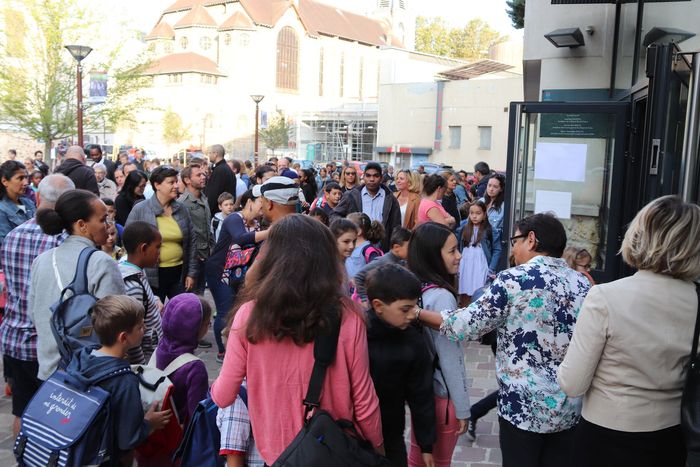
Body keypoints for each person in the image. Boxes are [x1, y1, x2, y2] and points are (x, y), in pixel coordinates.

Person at [418, 213, 591, 467]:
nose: (513, 247)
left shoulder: (513, 279)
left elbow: (466, 325)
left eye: (516, 240)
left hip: (522, 408)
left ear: (531, 240)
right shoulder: (583, 285)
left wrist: (416, 313)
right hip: (569, 408)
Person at [210, 215, 384, 465]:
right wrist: (377, 447)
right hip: (331, 450)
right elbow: (364, 399)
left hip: (276, 454)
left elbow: (224, 395)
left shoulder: (249, 315)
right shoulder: (348, 316)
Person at [557, 195, 700, 467]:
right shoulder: (696, 301)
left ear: (640, 237)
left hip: (605, 435)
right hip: (670, 437)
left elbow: (572, 384)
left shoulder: (605, 297)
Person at [0, 174, 74, 435]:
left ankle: (24, 458)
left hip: (15, 339)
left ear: (39, 198)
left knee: (21, 410)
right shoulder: (64, 242)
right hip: (50, 346)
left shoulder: (13, 236)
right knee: (54, 416)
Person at [29, 189, 126, 381]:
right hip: (90, 375)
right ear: (82, 225)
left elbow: (34, 313)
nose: (107, 226)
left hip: (49, 373)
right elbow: (116, 325)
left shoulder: (42, 260)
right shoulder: (101, 262)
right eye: (101, 220)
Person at [67, 295, 172, 465]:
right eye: (140, 326)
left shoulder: (81, 357)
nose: (144, 328)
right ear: (124, 337)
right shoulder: (124, 381)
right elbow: (128, 439)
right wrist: (149, 423)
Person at [406, 222, 470, 467]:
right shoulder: (442, 296)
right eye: (452, 251)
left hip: (422, 394)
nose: (459, 256)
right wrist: (463, 409)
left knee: (416, 459)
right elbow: (450, 358)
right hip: (442, 399)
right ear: (433, 256)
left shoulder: (415, 287)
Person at [365, 263, 436, 467]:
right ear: (378, 306)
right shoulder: (357, 335)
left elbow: (421, 394)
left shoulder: (412, 340)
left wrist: (426, 444)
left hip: (391, 433)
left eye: (414, 307)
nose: (412, 314)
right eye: (405, 309)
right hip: (354, 434)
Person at [206, 188, 268, 361]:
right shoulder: (234, 218)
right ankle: (222, 351)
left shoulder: (255, 223)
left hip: (238, 274)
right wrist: (272, 231)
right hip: (220, 272)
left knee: (237, 311)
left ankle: (235, 348)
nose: (263, 211)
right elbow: (241, 238)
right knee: (225, 311)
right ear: (249, 202)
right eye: (260, 206)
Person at [126, 166, 198, 302]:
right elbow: (128, 240)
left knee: (181, 313)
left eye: (177, 182)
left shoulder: (181, 209)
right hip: (151, 276)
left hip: (179, 274)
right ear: (157, 185)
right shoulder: (141, 209)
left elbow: (192, 242)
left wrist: (191, 273)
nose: (176, 186)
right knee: (154, 314)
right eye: (171, 182)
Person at [155, 293, 211, 426]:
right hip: (179, 439)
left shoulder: (158, 350)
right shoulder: (195, 368)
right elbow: (197, 419)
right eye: (208, 323)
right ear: (196, 327)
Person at [331, 162, 401, 252]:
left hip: (382, 247)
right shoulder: (352, 195)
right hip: (356, 246)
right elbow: (334, 214)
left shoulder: (390, 198)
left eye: (376, 176)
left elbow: (396, 226)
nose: (372, 179)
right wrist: (347, 227)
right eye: (368, 176)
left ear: (381, 178)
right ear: (363, 177)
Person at [120, 221, 163, 365]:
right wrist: (141, 367)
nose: (159, 253)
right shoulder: (133, 286)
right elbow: (132, 335)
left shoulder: (137, 271)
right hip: (146, 359)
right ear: (143, 248)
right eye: (157, 247)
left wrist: (154, 299)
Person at [353, 226, 412, 304]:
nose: (411, 250)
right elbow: (358, 276)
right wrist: (364, 299)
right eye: (409, 247)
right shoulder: (384, 261)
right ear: (396, 247)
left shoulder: (402, 262)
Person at [179, 163, 212, 295]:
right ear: (187, 180)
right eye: (198, 175)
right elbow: (184, 233)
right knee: (191, 297)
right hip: (192, 258)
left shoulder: (203, 198)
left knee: (201, 295)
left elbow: (206, 228)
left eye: (203, 174)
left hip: (206, 255)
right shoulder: (183, 203)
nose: (203, 177)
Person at [457, 201, 498, 306]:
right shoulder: (463, 228)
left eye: (478, 213)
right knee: (464, 289)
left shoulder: (490, 230)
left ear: (484, 215)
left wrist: (491, 268)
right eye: (471, 213)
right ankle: (463, 312)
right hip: (465, 263)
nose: (474, 216)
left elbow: (497, 249)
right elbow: (457, 245)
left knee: (479, 290)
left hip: (480, 263)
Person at [0, 160, 36, 246]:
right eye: (20, 178)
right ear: (5, 181)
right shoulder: (1, 210)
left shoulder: (28, 203)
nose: (26, 183)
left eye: (26, 177)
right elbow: (6, 243)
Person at [345, 212, 385, 281]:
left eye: (347, 228)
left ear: (359, 231)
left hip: (361, 289)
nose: (344, 230)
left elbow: (375, 272)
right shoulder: (349, 246)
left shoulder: (368, 250)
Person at [206, 144, 237, 215]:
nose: (209, 155)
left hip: (219, 213)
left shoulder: (220, 170)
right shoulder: (225, 168)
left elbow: (213, 195)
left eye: (210, 153)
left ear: (215, 154)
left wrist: (208, 212)